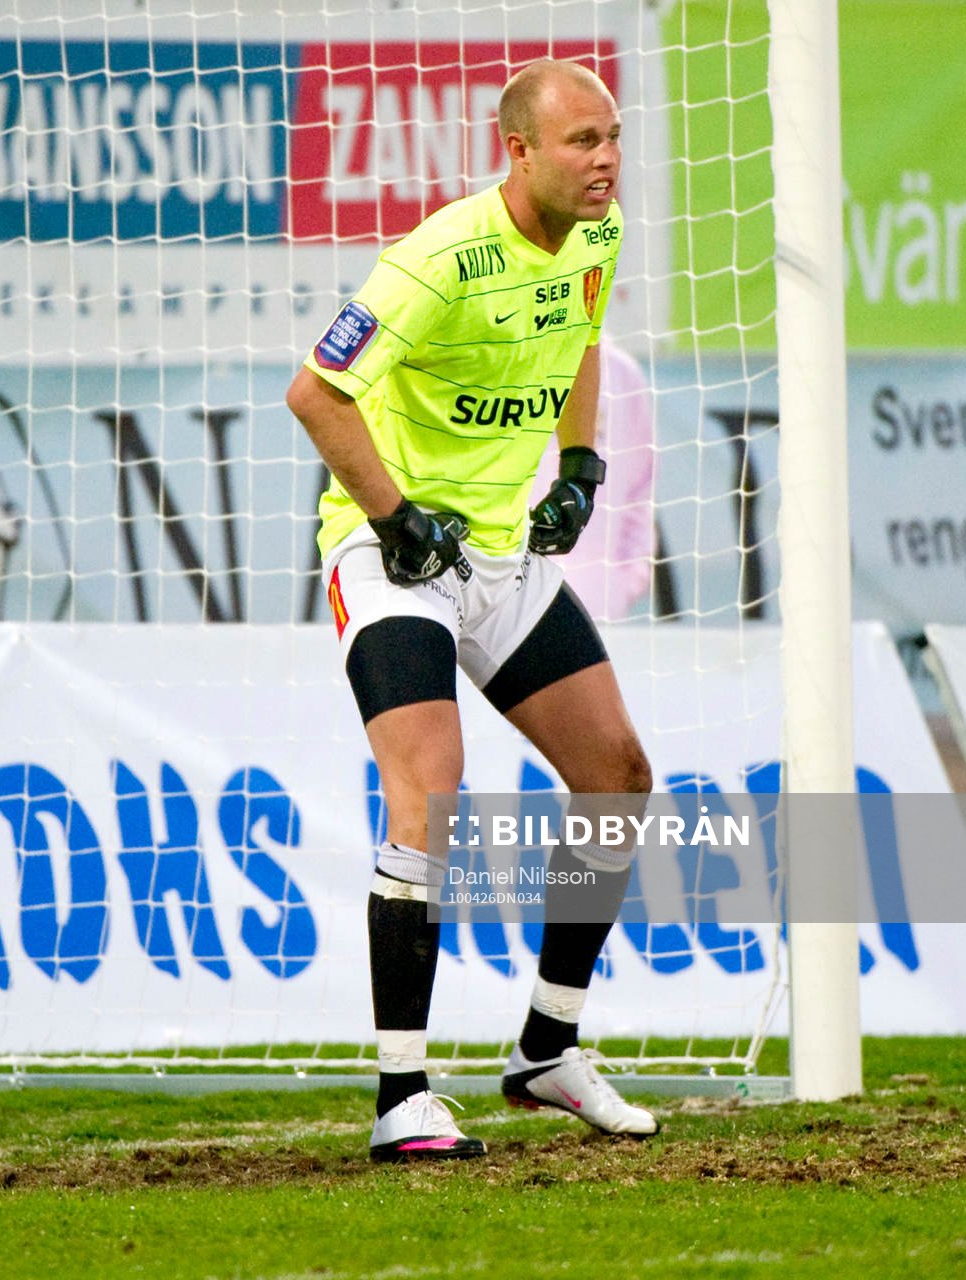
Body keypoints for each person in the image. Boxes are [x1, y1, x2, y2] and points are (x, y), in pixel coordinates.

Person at [286, 58, 657, 1163]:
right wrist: (395, 517)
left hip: (497, 551)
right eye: (581, 142)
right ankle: (403, 1093)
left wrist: (580, 463)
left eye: (611, 137)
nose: (604, 160)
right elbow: (315, 391)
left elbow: (581, 334)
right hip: (390, 548)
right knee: (428, 790)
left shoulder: (596, 233)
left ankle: (546, 1047)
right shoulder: (438, 258)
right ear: (519, 152)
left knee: (616, 773)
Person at [531, 336, 656, 621]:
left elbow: (640, 491)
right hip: (507, 603)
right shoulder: (503, 359)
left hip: (598, 607)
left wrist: (625, 582)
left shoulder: (623, 373)